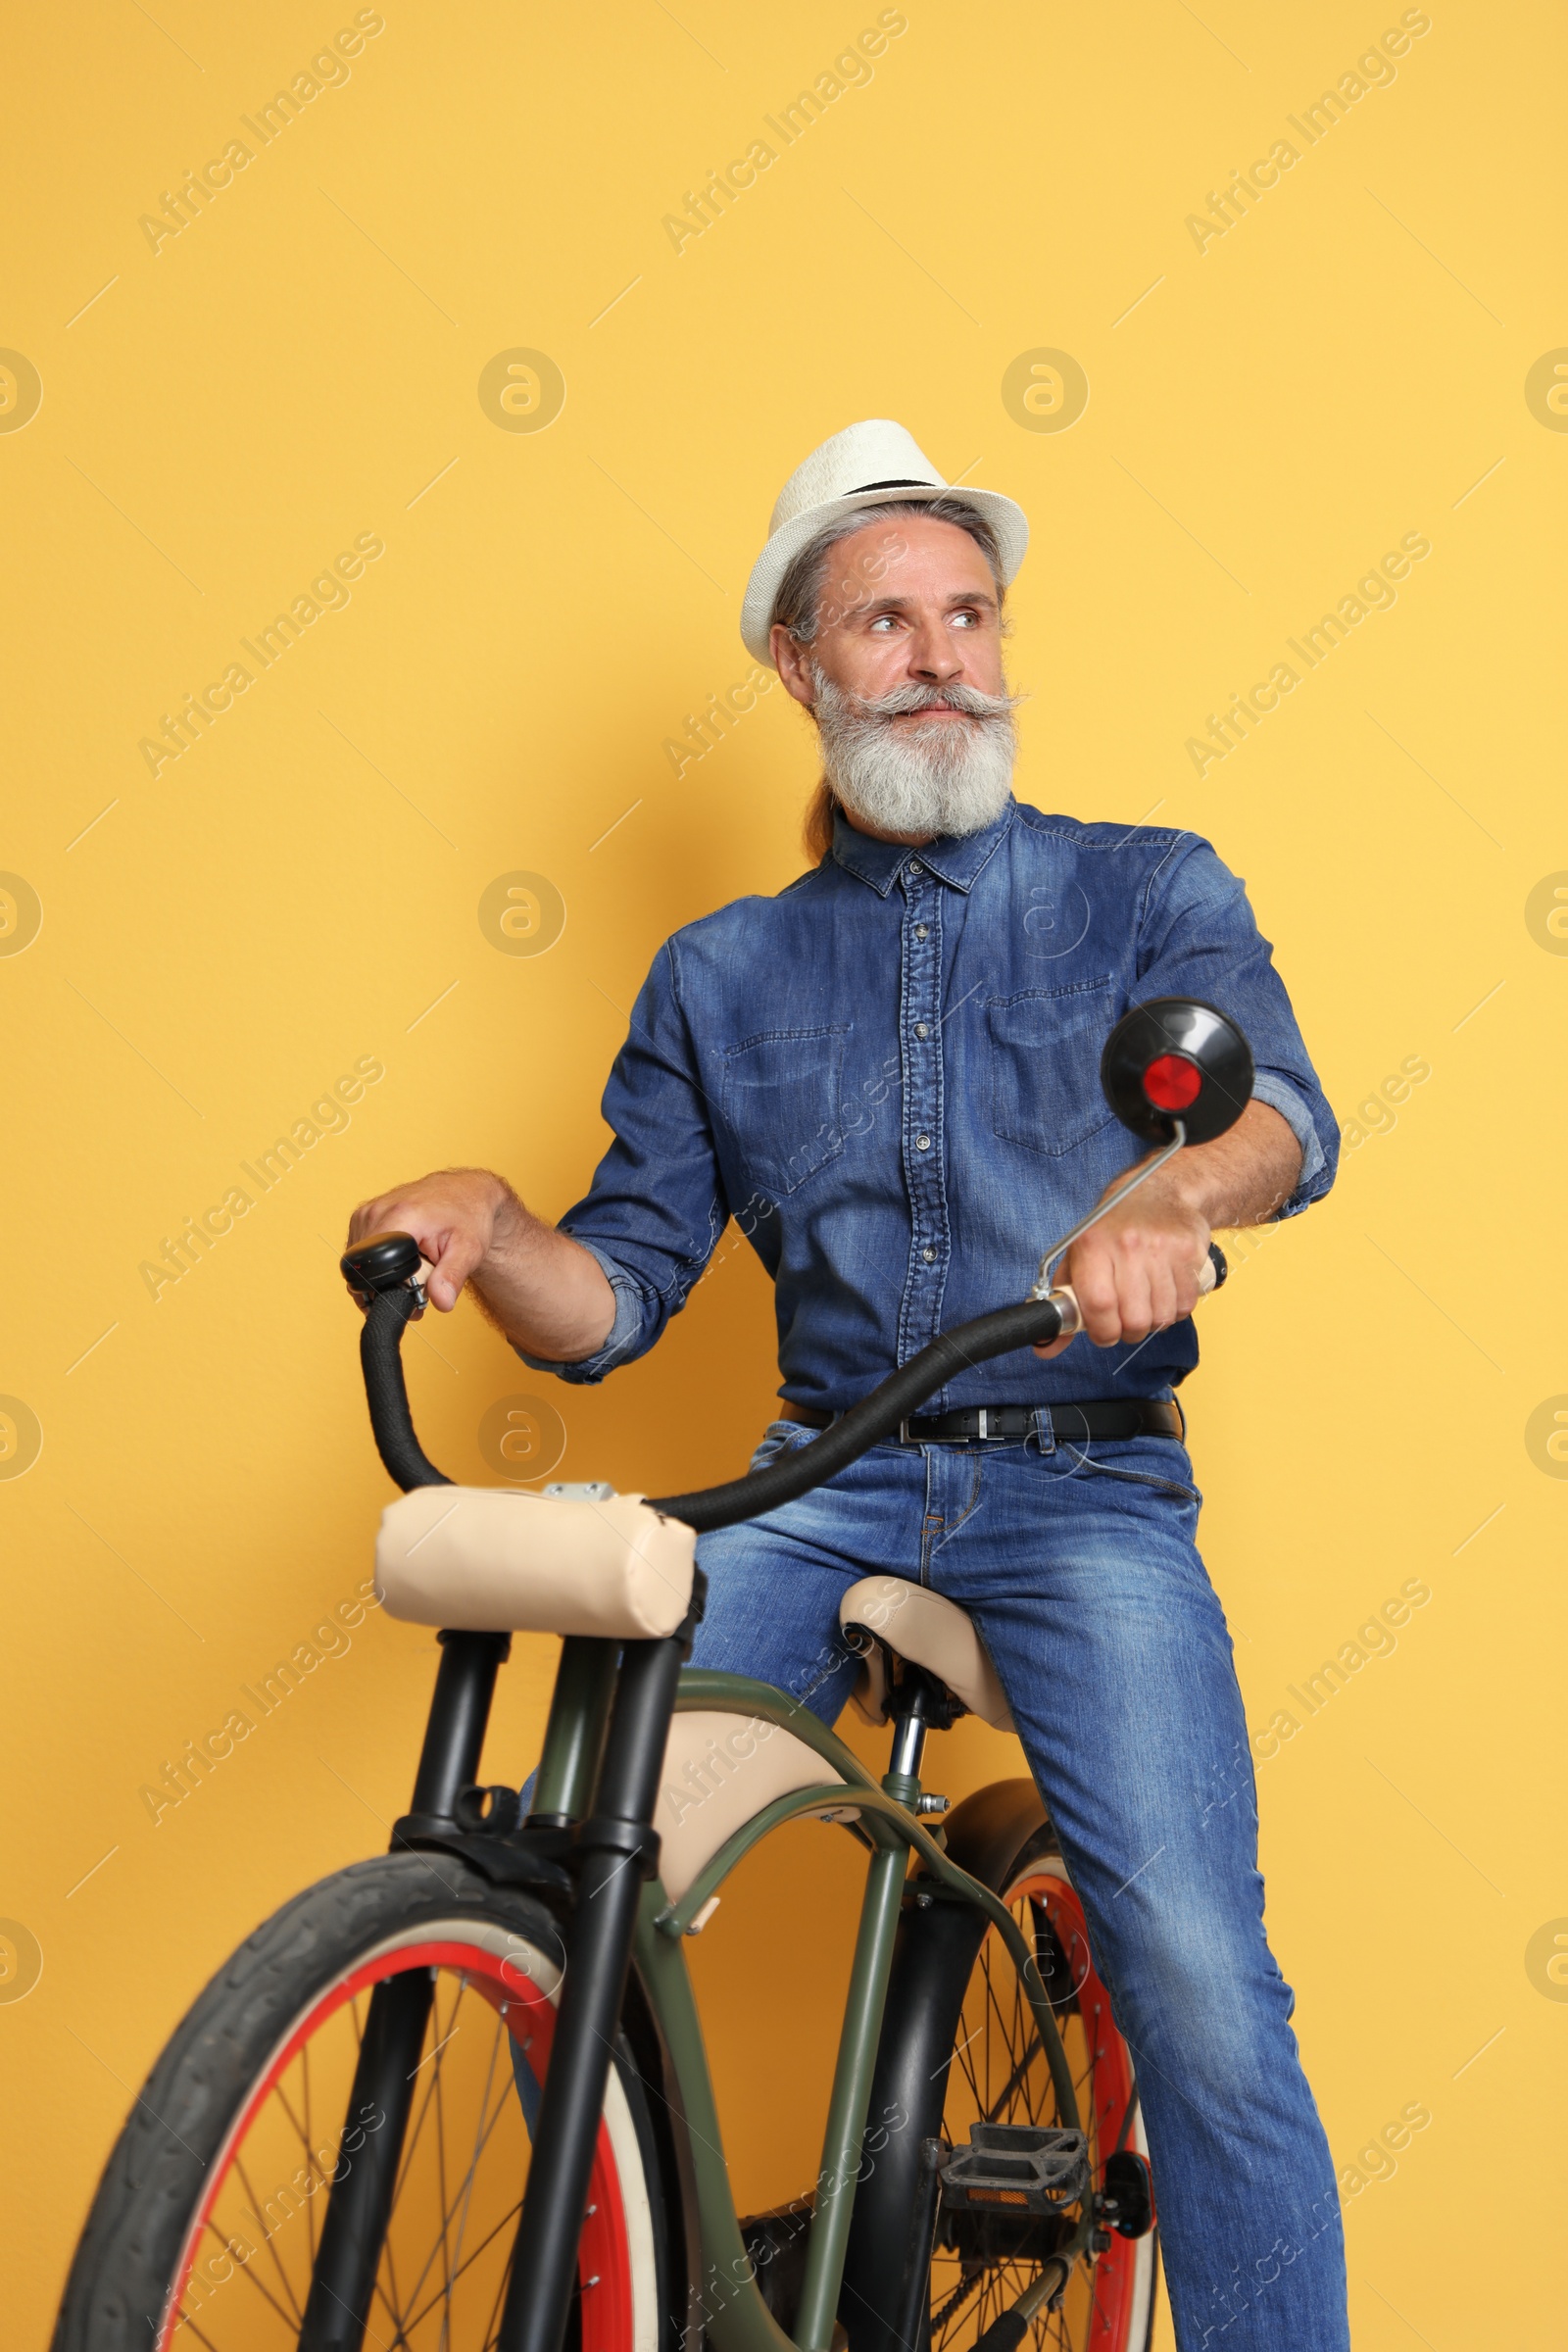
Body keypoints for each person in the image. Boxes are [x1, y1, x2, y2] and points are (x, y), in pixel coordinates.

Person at [348, 418, 1348, 2349]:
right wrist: (493, 1218)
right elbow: (610, 1297)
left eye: (966, 613)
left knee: (1200, 1986)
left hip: (1084, 1485)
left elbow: (1273, 1122)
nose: (941, 654)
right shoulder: (715, 976)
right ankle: (657, 2276)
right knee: (577, 1853)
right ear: (800, 669)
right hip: (821, 1487)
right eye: (885, 622)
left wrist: (1161, 1198)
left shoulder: (1144, 887)